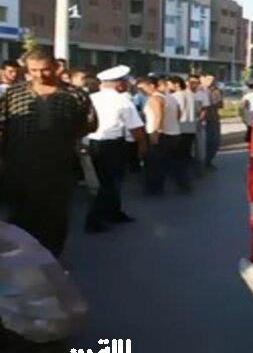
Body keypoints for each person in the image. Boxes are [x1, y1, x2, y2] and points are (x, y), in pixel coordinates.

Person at [0, 49, 97, 256]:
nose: (39, 75)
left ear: (55, 67)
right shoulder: (12, 94)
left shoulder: (75, 95)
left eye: (44, 70)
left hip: (58, 167)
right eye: (34, 70)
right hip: (20, 165)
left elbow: (89, 124)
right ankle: (22, 258)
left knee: (55, 216)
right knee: (20, 215)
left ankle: (51, 258)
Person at [85, 65, 147, 233]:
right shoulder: (122, 100)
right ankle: (94, 220)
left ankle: (114, 212)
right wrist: (142, 146)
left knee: (107, 181)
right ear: (119, 84)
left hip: (92, 143)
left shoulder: (90, 98)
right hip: (112, 145)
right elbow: (136, 128)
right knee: (111, 182)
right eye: (125, 82)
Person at [140, 77, 187, 194]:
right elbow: (179, 113)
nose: (141, 91)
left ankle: (155, 189)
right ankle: (182, 184)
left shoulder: (155, 98)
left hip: (160, 134)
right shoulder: (170, 97)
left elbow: (158, 115)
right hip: (174, 133)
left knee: (155, 163)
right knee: (170, 161)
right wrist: (173, 125)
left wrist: (156, 132)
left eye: (142, 88)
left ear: (151, 86)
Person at [201, 74, 223, 169]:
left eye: (212, 79)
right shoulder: (199, 90)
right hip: (203, 120)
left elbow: (220, 104)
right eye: (208, 79)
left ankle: (208, 161)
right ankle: (202, 163)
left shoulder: (216, 90)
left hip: (214, 118)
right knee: (205, 143)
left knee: (215, 142)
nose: (211, 81)